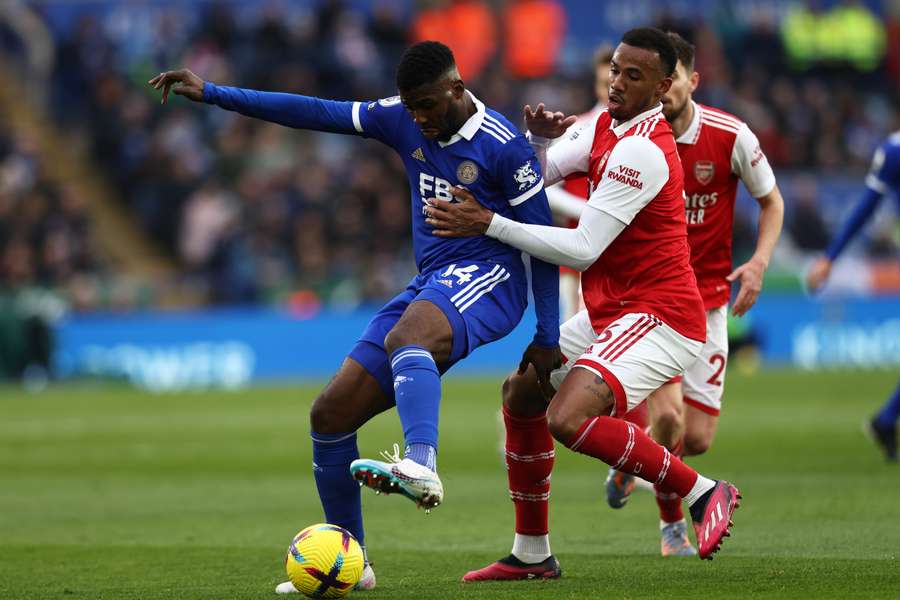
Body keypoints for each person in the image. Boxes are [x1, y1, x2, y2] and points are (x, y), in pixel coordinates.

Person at [149, 41, 562, 593]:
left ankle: (420, 461)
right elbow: (314, 111)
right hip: (433, 281)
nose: (419, 118)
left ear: (458, 89)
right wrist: (216, 94)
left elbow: (544, 242)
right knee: (330, 413)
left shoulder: (505, 148)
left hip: (494, 278)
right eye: (411, 107)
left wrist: (546, 334)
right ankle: (352, 562)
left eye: (428, 106)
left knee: (406, 336)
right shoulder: (402, 118)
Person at [425, 28, 741, 580]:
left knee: (567, 417)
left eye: (633, 76)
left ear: (665, 86)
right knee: (522, 392)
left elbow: (584, 246)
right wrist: (531, 144)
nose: (616, 82)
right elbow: (533, 177)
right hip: (613, 309)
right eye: (616, 69)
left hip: (661, 315)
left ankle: (703, 491)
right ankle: (531, 553)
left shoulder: (641, 149)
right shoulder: (601, 125)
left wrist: (488, 224)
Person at [601, 31, 784, 556]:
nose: (661, 93)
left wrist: (758, 263)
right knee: (668, 419)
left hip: (709, 302)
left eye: (671, 80)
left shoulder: (730, 136)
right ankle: (671, 528)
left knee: (697, 438)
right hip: (654, 301)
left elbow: (771, 202)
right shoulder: (634, 142)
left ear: (688, 81)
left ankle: (628, 462)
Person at [807, 131, 900, 462]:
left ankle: (886, 420)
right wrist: (829, 257)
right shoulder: (894, 150)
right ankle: (885, 420)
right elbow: (866, 208)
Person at [548, 47, 613, 321]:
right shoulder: (576, 130)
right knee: (574, 344)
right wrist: (588, 210)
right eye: (605, 83)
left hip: (625, 255)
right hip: (579, 257)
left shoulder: (648, 132)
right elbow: (545, 188)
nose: (612, 90)